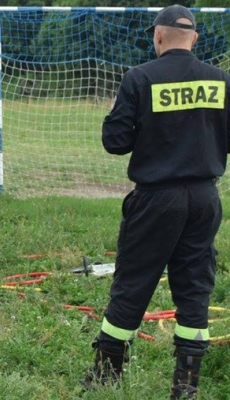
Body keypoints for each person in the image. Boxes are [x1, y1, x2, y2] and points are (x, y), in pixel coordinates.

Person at [81, 6, 230, 399]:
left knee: (132, 283)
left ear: (158, 37)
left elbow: (115, 142)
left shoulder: (140, 78)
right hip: (204, 198)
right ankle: (186, 386)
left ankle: (106, 374)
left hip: (156, 199)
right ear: (194, 39)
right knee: (195, 289)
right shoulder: (221, 82)